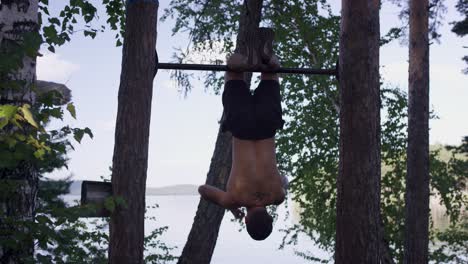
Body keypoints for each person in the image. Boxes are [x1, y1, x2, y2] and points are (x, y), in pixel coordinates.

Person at [198, 52, 288, 241]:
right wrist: (231, 207)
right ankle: (240, 58)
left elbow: (285, 179)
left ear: (270, 217)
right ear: (246, 220)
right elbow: (203, 190)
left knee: (271, 74)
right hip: (241, 126)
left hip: (267, 126)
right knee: (233, 71)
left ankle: (268, 60)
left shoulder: (277, 196)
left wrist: (282, 188)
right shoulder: (234, 199)